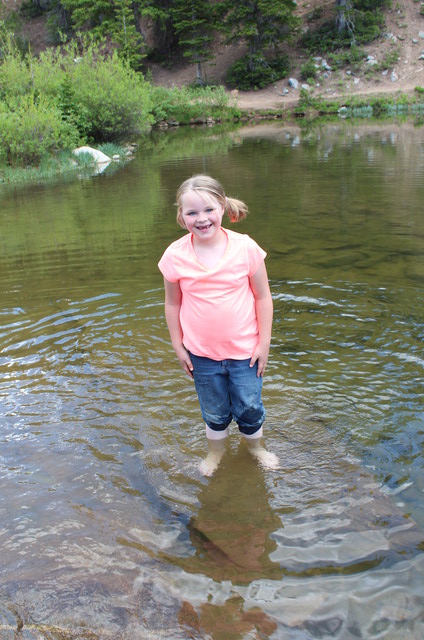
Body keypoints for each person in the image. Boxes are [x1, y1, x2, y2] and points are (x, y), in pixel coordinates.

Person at [158, 175, 279, 476]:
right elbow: (172, 303)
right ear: (181, 216)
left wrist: (264, 343)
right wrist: (178, 345)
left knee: (249, 407)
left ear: (222, 207)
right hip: (201, 353)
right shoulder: (175, 255)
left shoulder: (245, 248)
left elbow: (263, 297)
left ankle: (256, 448)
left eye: (209, 209)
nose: (201, 219)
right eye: (192, 213)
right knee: (214, 411)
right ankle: (216, 453)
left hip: (245, 351)